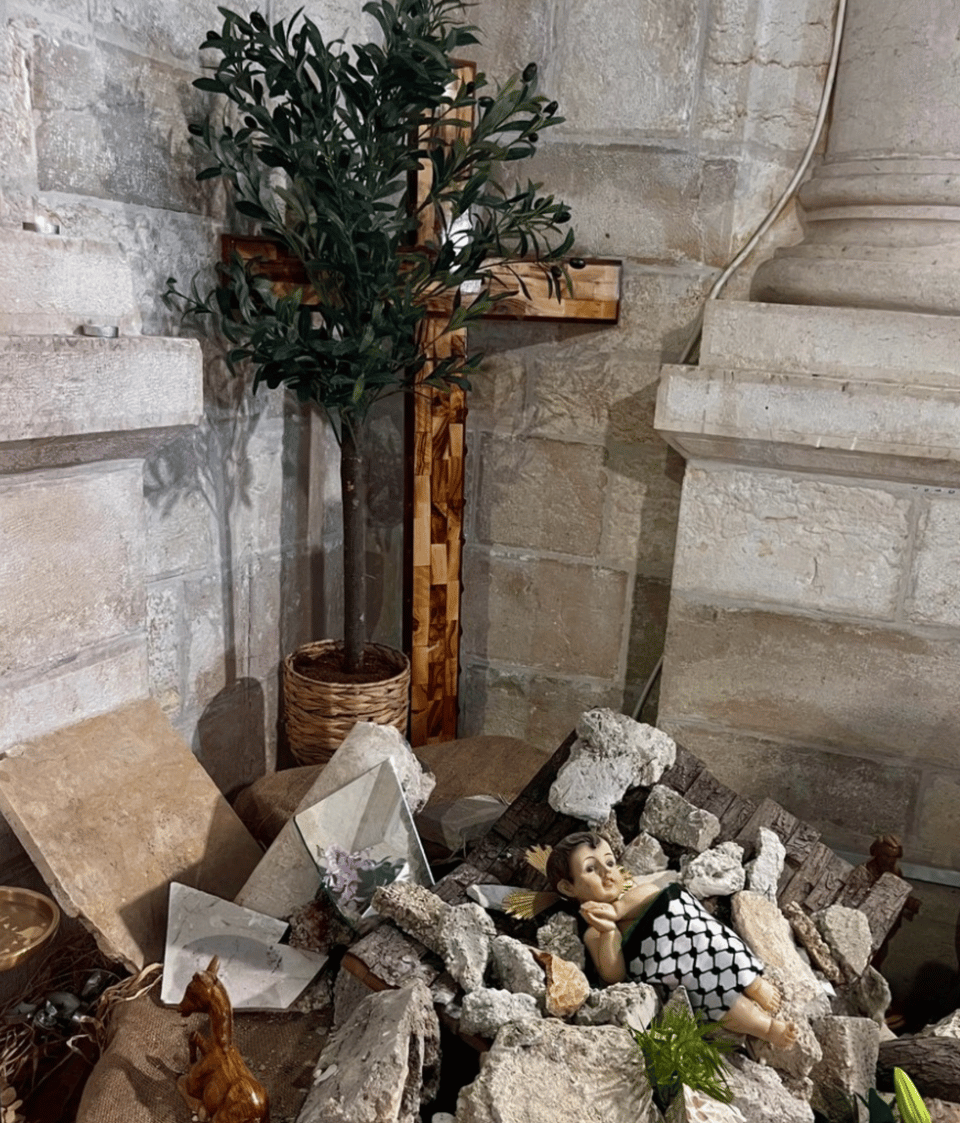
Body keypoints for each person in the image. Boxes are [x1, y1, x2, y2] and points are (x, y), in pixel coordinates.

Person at [545, 831, 799, 1048]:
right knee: (713, 997)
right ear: (569, 888)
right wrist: (609, 931)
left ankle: (753, 983)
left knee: (720, 944)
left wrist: (619, 911)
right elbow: (614, 974)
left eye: (610, 863)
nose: (607, 873)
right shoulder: (594, 933)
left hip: (696, 936)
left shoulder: (636, 893)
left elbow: (656, 895)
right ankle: (766, 1028)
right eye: (591, 869)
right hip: (673, 966)